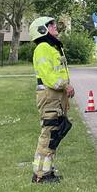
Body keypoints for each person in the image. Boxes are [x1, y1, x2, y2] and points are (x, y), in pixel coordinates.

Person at [29, 16, 74, 183]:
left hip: (55, 97)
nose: (55, 27)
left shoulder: (52, 48)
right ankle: (40, 175)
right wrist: (65, 85)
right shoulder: (42, 48)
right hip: (50, 96)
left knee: (55, 133)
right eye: (51, 25)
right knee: (48, 134)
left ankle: (47, 171)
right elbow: (50, 77)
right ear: (43, 29)